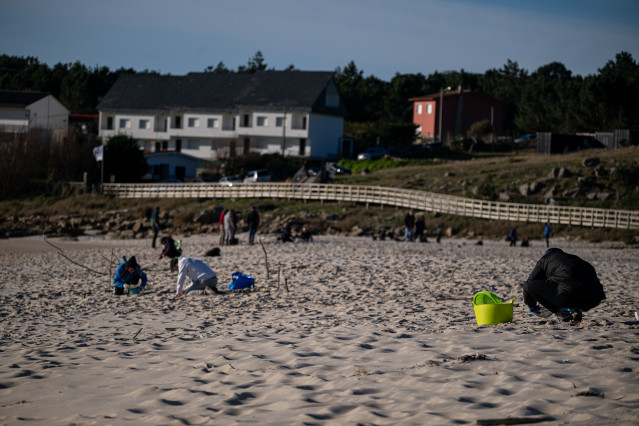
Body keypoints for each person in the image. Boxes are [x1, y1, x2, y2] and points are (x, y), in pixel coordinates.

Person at [522, 248, 606, 322]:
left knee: (528, 285)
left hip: (568, 296)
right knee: (568, 285)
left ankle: (560, 312)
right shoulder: (571, 258)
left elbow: (530, 283)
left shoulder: (544, 260)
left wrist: (532, 306)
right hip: (594, 299)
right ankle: (575, 310)